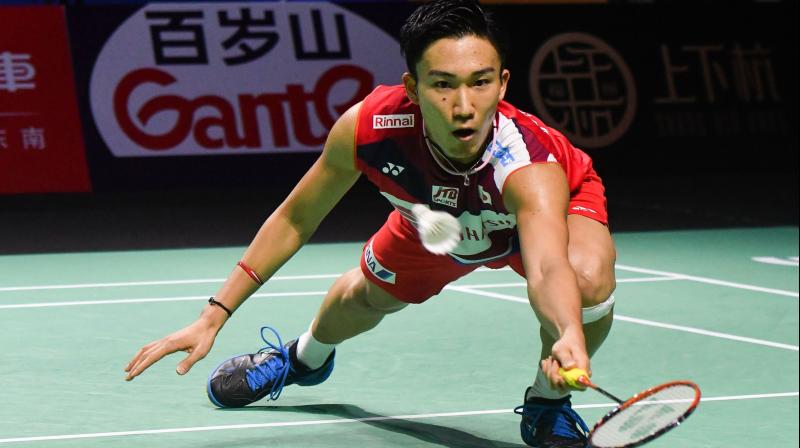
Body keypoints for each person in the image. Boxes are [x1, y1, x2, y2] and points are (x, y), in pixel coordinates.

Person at [124, 1, 617, 446]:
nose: (464, 106)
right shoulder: (371, 127)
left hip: (537, 216)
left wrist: (567, 331)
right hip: (436, 219)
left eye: (480, 82)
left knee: (585, 281)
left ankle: (548, 401)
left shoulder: (530, 164)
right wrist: (214, 316)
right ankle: (304, 359)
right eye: (443, 84)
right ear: (413, 87)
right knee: (363, 297)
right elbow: (296, 218)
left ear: (503, 83)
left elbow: (548, 267)